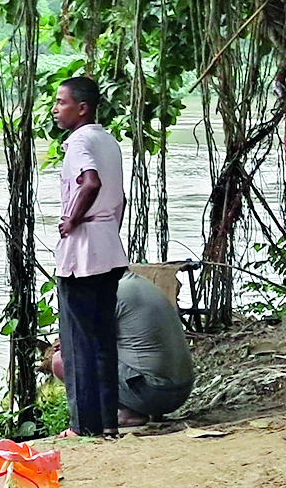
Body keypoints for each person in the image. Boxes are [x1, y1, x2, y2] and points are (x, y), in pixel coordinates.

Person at [51, 76, 128, 438]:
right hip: (108, 248)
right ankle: (108, 423)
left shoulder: (79, 141)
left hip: (82, 251)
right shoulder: (107, 140)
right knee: (102, 339)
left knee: (77, 341)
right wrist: (108, 228)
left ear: (82, 108)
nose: (55, 108)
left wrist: (72, 219)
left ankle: (83, 425)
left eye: (61, 102)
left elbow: (90, 182)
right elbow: (120, 198)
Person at [50, 272, 193, 427]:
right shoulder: (139, 284)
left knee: (61, 361)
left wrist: (68, 343)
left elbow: (82, 346)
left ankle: (119, 414)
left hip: (154, 393)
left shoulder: (110, 293)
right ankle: (137, 411)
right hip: (182, 390)